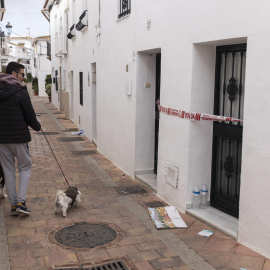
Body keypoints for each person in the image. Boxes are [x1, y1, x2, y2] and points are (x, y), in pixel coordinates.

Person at [0, 62, 41, 216]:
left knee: (8, 169)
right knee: (25, 167)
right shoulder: (20, 90)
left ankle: (12, 205)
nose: (23, 78)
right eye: (22, 74)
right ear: (14, 74)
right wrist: (37, 126)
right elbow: (29, 115)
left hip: (2, 139)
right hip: (18, 137)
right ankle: (20, 202)